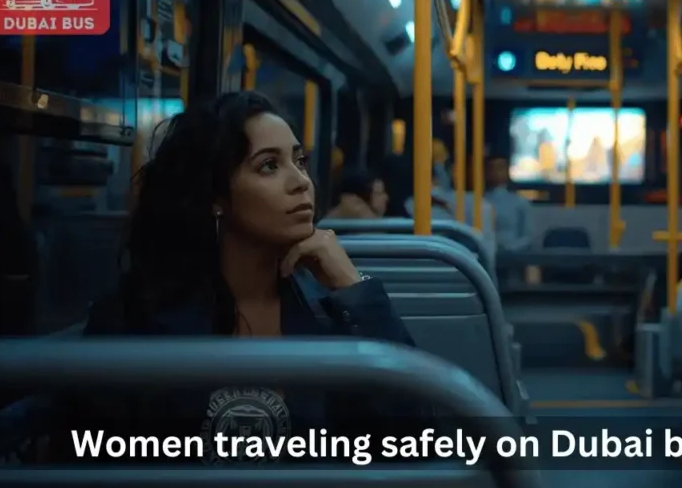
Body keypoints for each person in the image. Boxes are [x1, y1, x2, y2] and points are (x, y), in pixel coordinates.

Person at [52, 92, 431, 464]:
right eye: (269, 166)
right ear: (216, 195)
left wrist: (354, 287)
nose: (301, 182)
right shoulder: (134, 318)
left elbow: (415, 439)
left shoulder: (332, 310)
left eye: (299, 161)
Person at [483, 157, 533, 252]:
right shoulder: (479, 202)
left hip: (513, 257)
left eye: (500, 167)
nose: (496, 171)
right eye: (492, 168)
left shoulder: (520, 202)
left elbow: (527, 237)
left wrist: (511, 248)